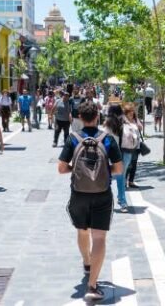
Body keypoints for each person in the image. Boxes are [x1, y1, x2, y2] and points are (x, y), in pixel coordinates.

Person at [58, 101, 123, 301]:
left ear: (79, 118)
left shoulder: (73, 138)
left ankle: (86, 261)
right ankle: (93, 286)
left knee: (82, 231)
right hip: (102, 194)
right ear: (97, 117)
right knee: (100, 238)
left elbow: (61, 168)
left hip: (78, 194)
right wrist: (104, 173)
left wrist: (74, 171)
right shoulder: (108, 139)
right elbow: (119, 169)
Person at [103, 104, 138, 212]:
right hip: (127, 152)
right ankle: (122, 201)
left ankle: (115, 201)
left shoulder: (108, 123)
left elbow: (104, 139)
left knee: (108, 177)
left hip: (112, 154)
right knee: (121, 177)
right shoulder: (125, 121)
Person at [123, 102, 143, 189]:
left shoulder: (135, 120)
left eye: (132, 111)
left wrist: (136, 120)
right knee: (127, 165)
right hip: (127, 146)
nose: (131, 113)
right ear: (126, 113)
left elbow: (141, 128)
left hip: (136, 146)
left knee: (134, 164)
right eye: (130, 111)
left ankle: (131, 181)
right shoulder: (123, 121)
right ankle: (123, 182)